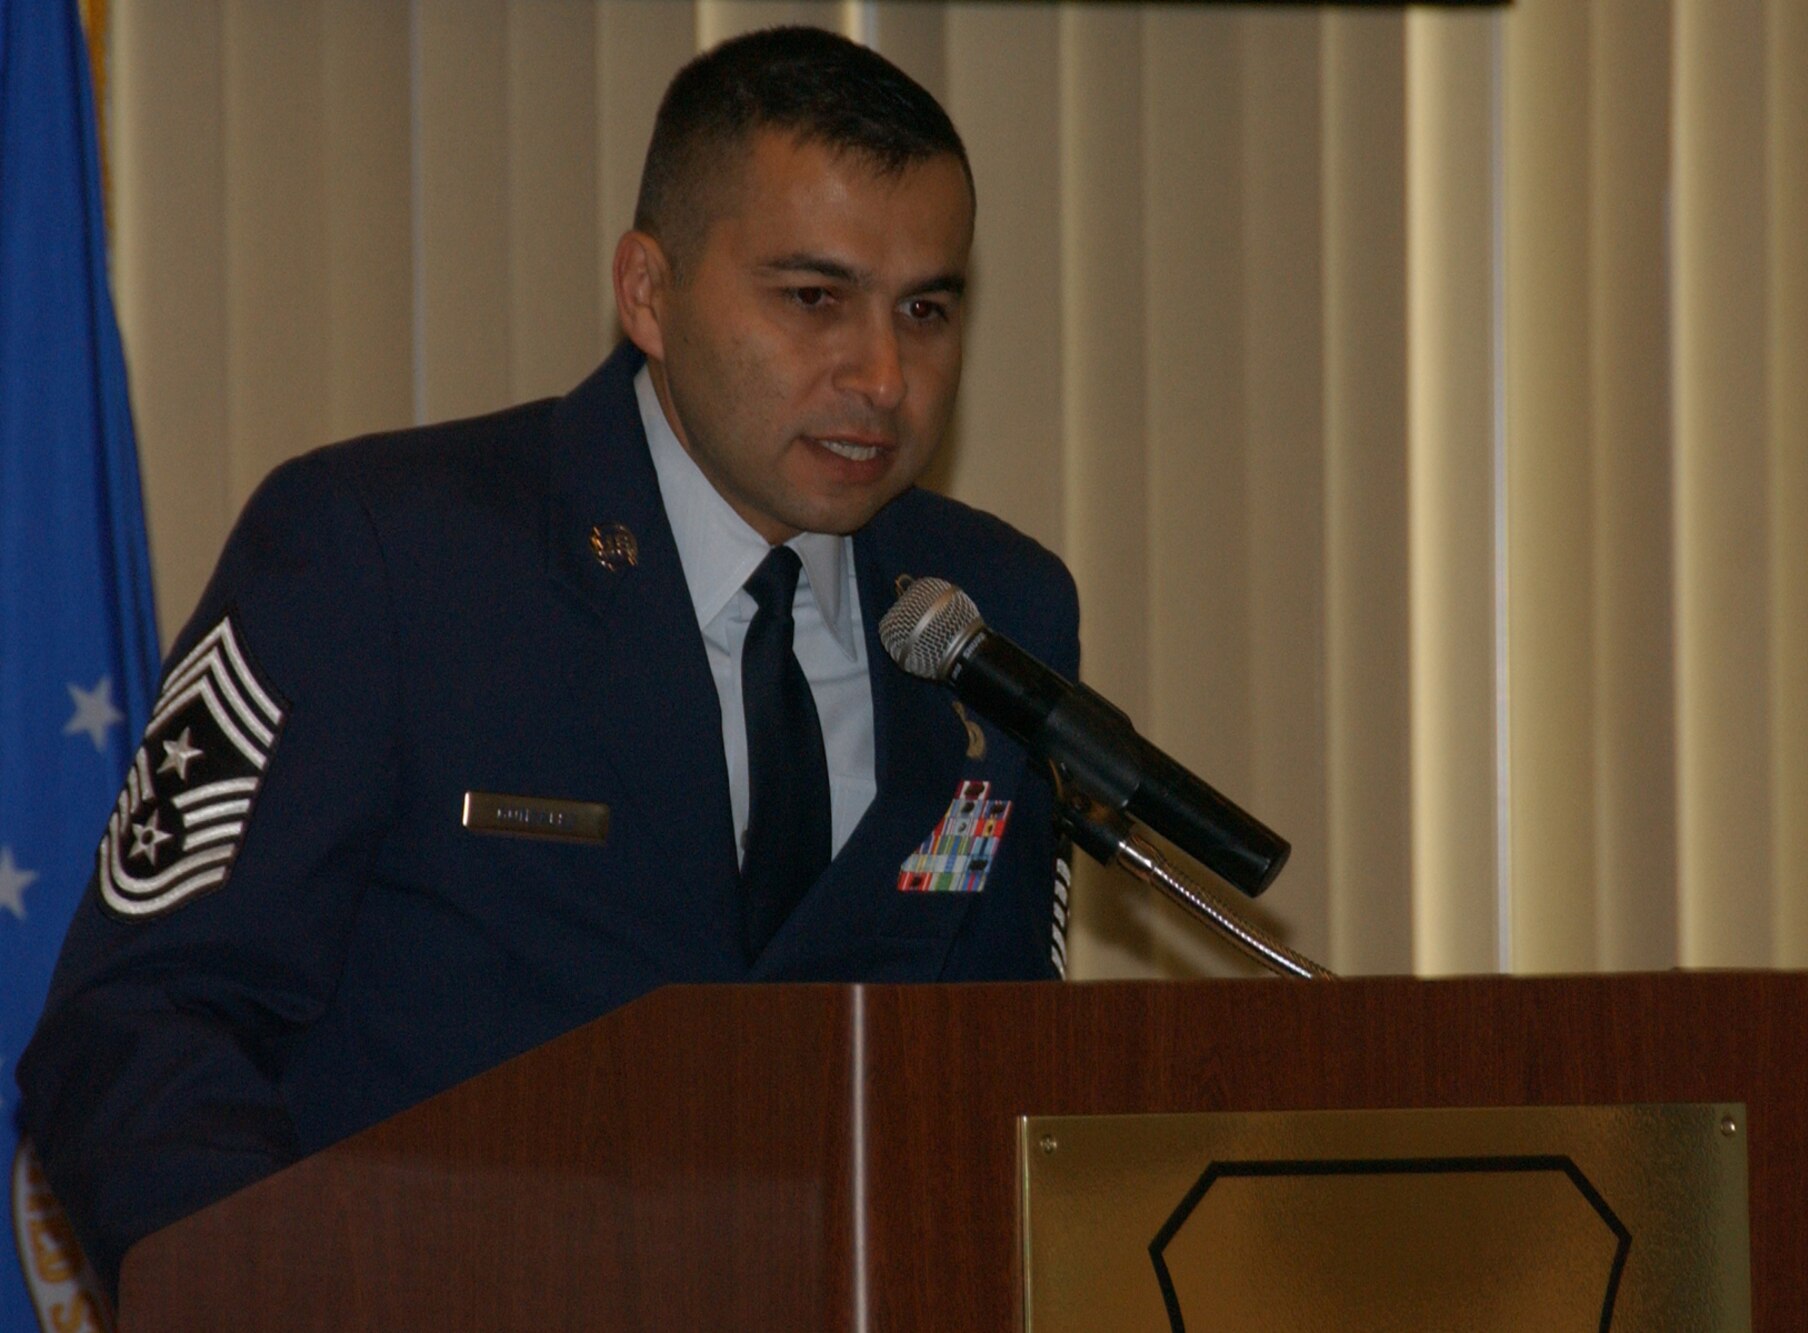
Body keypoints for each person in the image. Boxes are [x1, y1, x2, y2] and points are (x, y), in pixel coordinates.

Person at [17, 25, 1078, 1296]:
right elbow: (136, 1024)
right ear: (648, 292)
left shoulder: (991, 612)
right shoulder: (387, 558)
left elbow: (1015, 1065)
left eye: (925, 308)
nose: (881, 375)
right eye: (813, 299)